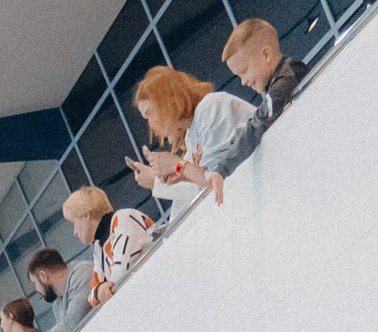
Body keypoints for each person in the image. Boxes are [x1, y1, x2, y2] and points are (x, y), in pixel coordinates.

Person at [126, 65, 257, 209]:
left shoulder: (210, 107)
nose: (151, 124)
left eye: (150, 113)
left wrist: (176, 165)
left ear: (167, 101)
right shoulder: (192, 136)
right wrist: (179, 172)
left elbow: (219, 177)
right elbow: (202, 180)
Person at [222, 16, 306, 147]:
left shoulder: (287, 78)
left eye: (244, 71)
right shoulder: (283, 81)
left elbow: (259, 124)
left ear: (266, 55)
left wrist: (225, 160)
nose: (243, 82)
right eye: (239, 76)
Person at [64, 185, 155, 305]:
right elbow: (92, 296)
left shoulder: (123, 219)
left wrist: (102, 291)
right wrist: (99, 291)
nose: (74, 232)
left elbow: (119, 278)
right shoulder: (98, 246)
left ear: (86, 215)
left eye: (74, 222)